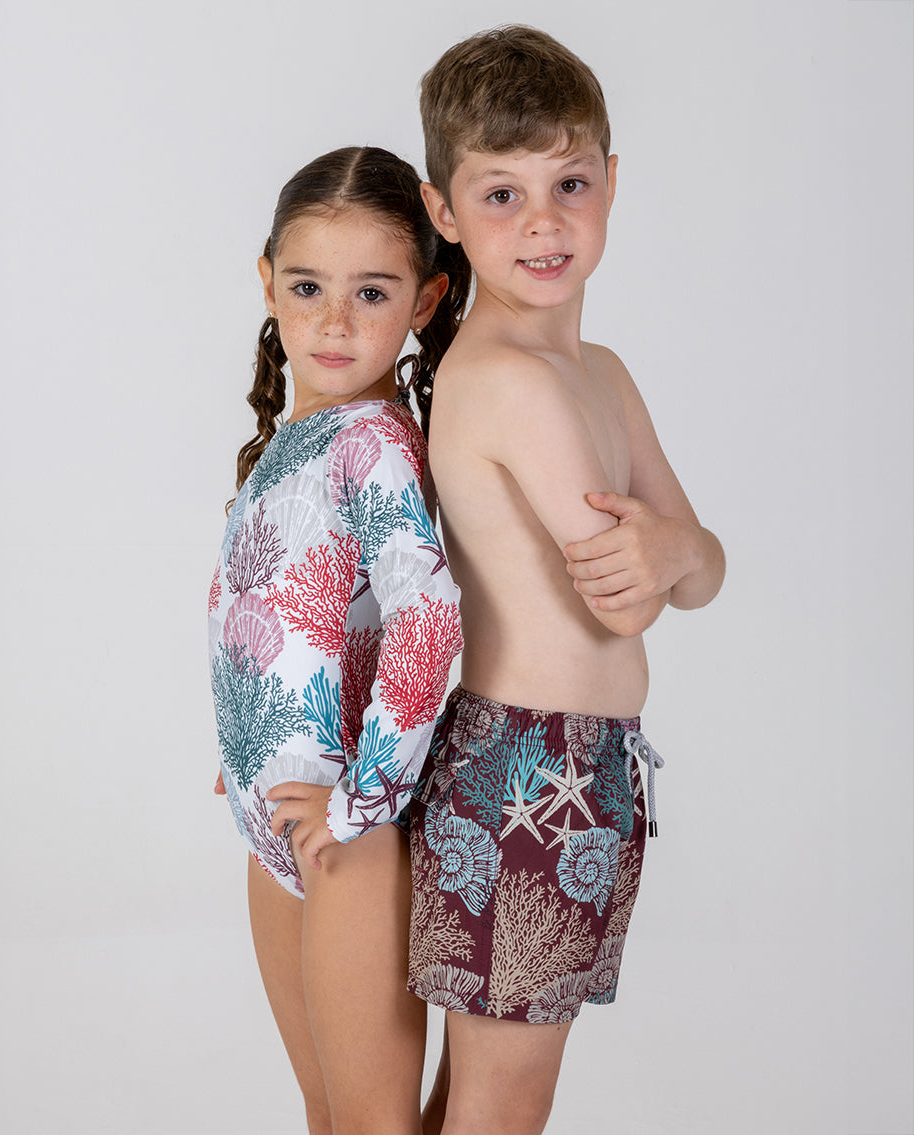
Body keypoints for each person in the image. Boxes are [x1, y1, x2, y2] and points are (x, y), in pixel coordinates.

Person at [405, 26, 726, 1135]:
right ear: (442, 210)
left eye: (569, 183)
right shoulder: (503, 380)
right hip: (527, 769)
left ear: (610, 184)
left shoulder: (597, 372)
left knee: (482, 1095)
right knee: (503, 1104)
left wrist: (679, 550)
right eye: (500, 193)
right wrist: (670, 556)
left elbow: (698, 566)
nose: (543, 222)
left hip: (587, 766)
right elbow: (633, 594)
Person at [208, 146, 467, 1135]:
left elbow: (427, 613)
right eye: (309, 286)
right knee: (324, 1112)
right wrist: (243, 749)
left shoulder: (372, 442)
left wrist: (365, 796)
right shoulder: (298, 432)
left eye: (372, 292)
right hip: (274, 813)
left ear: (426, 299)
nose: (330, 319)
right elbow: (276, 617)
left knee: (368, 1122)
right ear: (267, 277)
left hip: (349, 835)